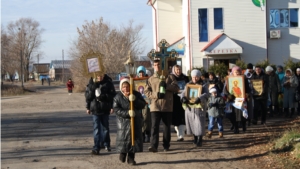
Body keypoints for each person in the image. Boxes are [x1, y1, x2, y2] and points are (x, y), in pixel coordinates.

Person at [144, 58, 179, 152]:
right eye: (155, 65)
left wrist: (167, 86)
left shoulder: (170, 77)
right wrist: (156, 95)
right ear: (153, 66)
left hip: (167, 105)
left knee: (167, 127)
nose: (157, 67)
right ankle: (153, 145)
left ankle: (166, 145)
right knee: (154, 126)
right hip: (155, 106)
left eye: (159, 65)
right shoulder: (151, 79)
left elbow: (176, 88)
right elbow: (146, 92)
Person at [113, 78, 146, 165]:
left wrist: (134, 99)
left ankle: (131, 159)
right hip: (123, 123)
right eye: (124, 87)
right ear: (121, 88)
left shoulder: (136, 94)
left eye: (127, 86)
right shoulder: (118, 97)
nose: (126, 89)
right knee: (124, 140)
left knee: (133, 141)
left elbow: (142, 104)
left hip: (135, 122)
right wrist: (127, 113)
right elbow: (116, 109)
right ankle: (122, 153)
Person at [85, 73, 116, 155]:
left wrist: (111, 105)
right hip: (95, 110)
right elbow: (88, 97)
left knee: (105, 128)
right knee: (97, 129)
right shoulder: (91, 84)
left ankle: (106, 144)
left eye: (101, 75)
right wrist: (87, 107)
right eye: (98, 76)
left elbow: (113, 96)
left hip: (105, 109)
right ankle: (96, 146)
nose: (99, 77)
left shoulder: (108, 83)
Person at [181, 69, 209, 147]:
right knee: (192, 123)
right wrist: (183, 98)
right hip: (190, 108)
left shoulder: (203, 85)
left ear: (199, 77)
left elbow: (207, 94)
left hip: (199, 107)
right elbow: (183, 93)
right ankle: (195, 138)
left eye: (196, 77)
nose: (194, 79)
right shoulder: (188, 84)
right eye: (193, 77)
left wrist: (200, 98)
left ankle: (200, 139)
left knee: (199, 123)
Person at [223, 66, 250, 133]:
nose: (237, 73)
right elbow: (225, 90)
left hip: (241, 99)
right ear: (233, 72)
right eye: (235, 72)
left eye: (238, 72)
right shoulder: (228, 79)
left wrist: (247, 94)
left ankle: (243, 126)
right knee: (232, 115)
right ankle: (236, 127)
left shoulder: (244, 79)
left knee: (242, 114)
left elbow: (248, 89)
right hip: (233, 100)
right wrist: (229, 96)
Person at [170, 65, 189, 141]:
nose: (178, 71)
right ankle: (179, 133)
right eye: (177, 70)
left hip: (183, 99)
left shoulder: (185, 78)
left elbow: (188, 87)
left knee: (182, 117)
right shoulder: (171, 78)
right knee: (175, 119)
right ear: (174, 70)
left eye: (180, 69)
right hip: (174, 100)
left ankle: (181, 135)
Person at [136, 66, 151, 143]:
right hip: (138, 102)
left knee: (146, 118)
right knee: (139, 118)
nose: (141, 74)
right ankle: (141, 134)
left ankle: (147, 134)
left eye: (142, 72)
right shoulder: (135, 81)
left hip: (146, 102)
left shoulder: (148, 80)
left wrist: (150, 102)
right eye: (139, 72)